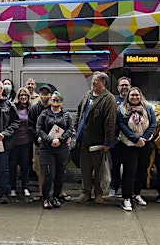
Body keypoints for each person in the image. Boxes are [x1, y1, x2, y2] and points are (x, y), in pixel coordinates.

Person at [74, 71, 117, 204]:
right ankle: (86, 192)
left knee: (98, 169)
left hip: (98, 142)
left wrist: (108, 142)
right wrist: (76, 129)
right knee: (85, 168)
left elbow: (110, 122)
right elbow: (79, 112)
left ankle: (98, 193)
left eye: (96, 81)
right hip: (83, 140)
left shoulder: (109, 99)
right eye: (92, 80)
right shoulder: (87, 95)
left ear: (103, 83)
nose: (93, 83)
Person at [117, 87, 156, 211]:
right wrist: (135, 139)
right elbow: (121, 125)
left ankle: (137, 194)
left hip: (145, 144)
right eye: (132, 95)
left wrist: (143, 139)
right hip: (128, 145)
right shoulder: (122, 110)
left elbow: (153, 124)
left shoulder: (148, 108)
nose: (135, 97)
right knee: (130, 171)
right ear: (128, 97)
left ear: (141, 96)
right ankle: (127, 198)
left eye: (137, 95)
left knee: (142, 171)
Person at [36, 91, 74, 209]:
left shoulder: (66, 115)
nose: (55, 102)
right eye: (53, 100)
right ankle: (46, 198)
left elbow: (70, 129)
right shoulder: (44, 114)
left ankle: (56, 197)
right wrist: (50, 139)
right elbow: (39, 129)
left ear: (61, 102)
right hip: (47, 149)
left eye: (58, 100)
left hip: (62, 149)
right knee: (49, 174)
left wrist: (61, 139)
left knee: (59, 174)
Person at [27, 84, 54, 201]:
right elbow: (30, 126)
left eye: (47, 93)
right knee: (40, 168)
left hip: (54, 143)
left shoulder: (55, 106)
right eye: (42, 93)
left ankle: (59, 192)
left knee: (56, 168)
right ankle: (41, 192)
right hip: (39, 144)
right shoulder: (34, 109)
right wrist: (37, 137)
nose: (44, 96)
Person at [109, 76, 131, 197]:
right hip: (116, 140)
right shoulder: (112, 100)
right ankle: (114, 187)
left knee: (129, 166)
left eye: (126, 85)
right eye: (122, 85)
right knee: (114, 165)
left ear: (130, 87)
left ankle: (127, 189)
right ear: (118, 88)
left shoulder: (134, 99)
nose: (124, 87)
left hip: (130, 140)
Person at [8, 87, 32, 198]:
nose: (23, 97)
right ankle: (12, 188)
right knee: (12, 166)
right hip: (13, 141)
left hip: (26, 142)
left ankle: (25, 187)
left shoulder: (31, 109)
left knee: (25, 165)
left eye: (25, 95)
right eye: (21, 95)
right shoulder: (12, 108)